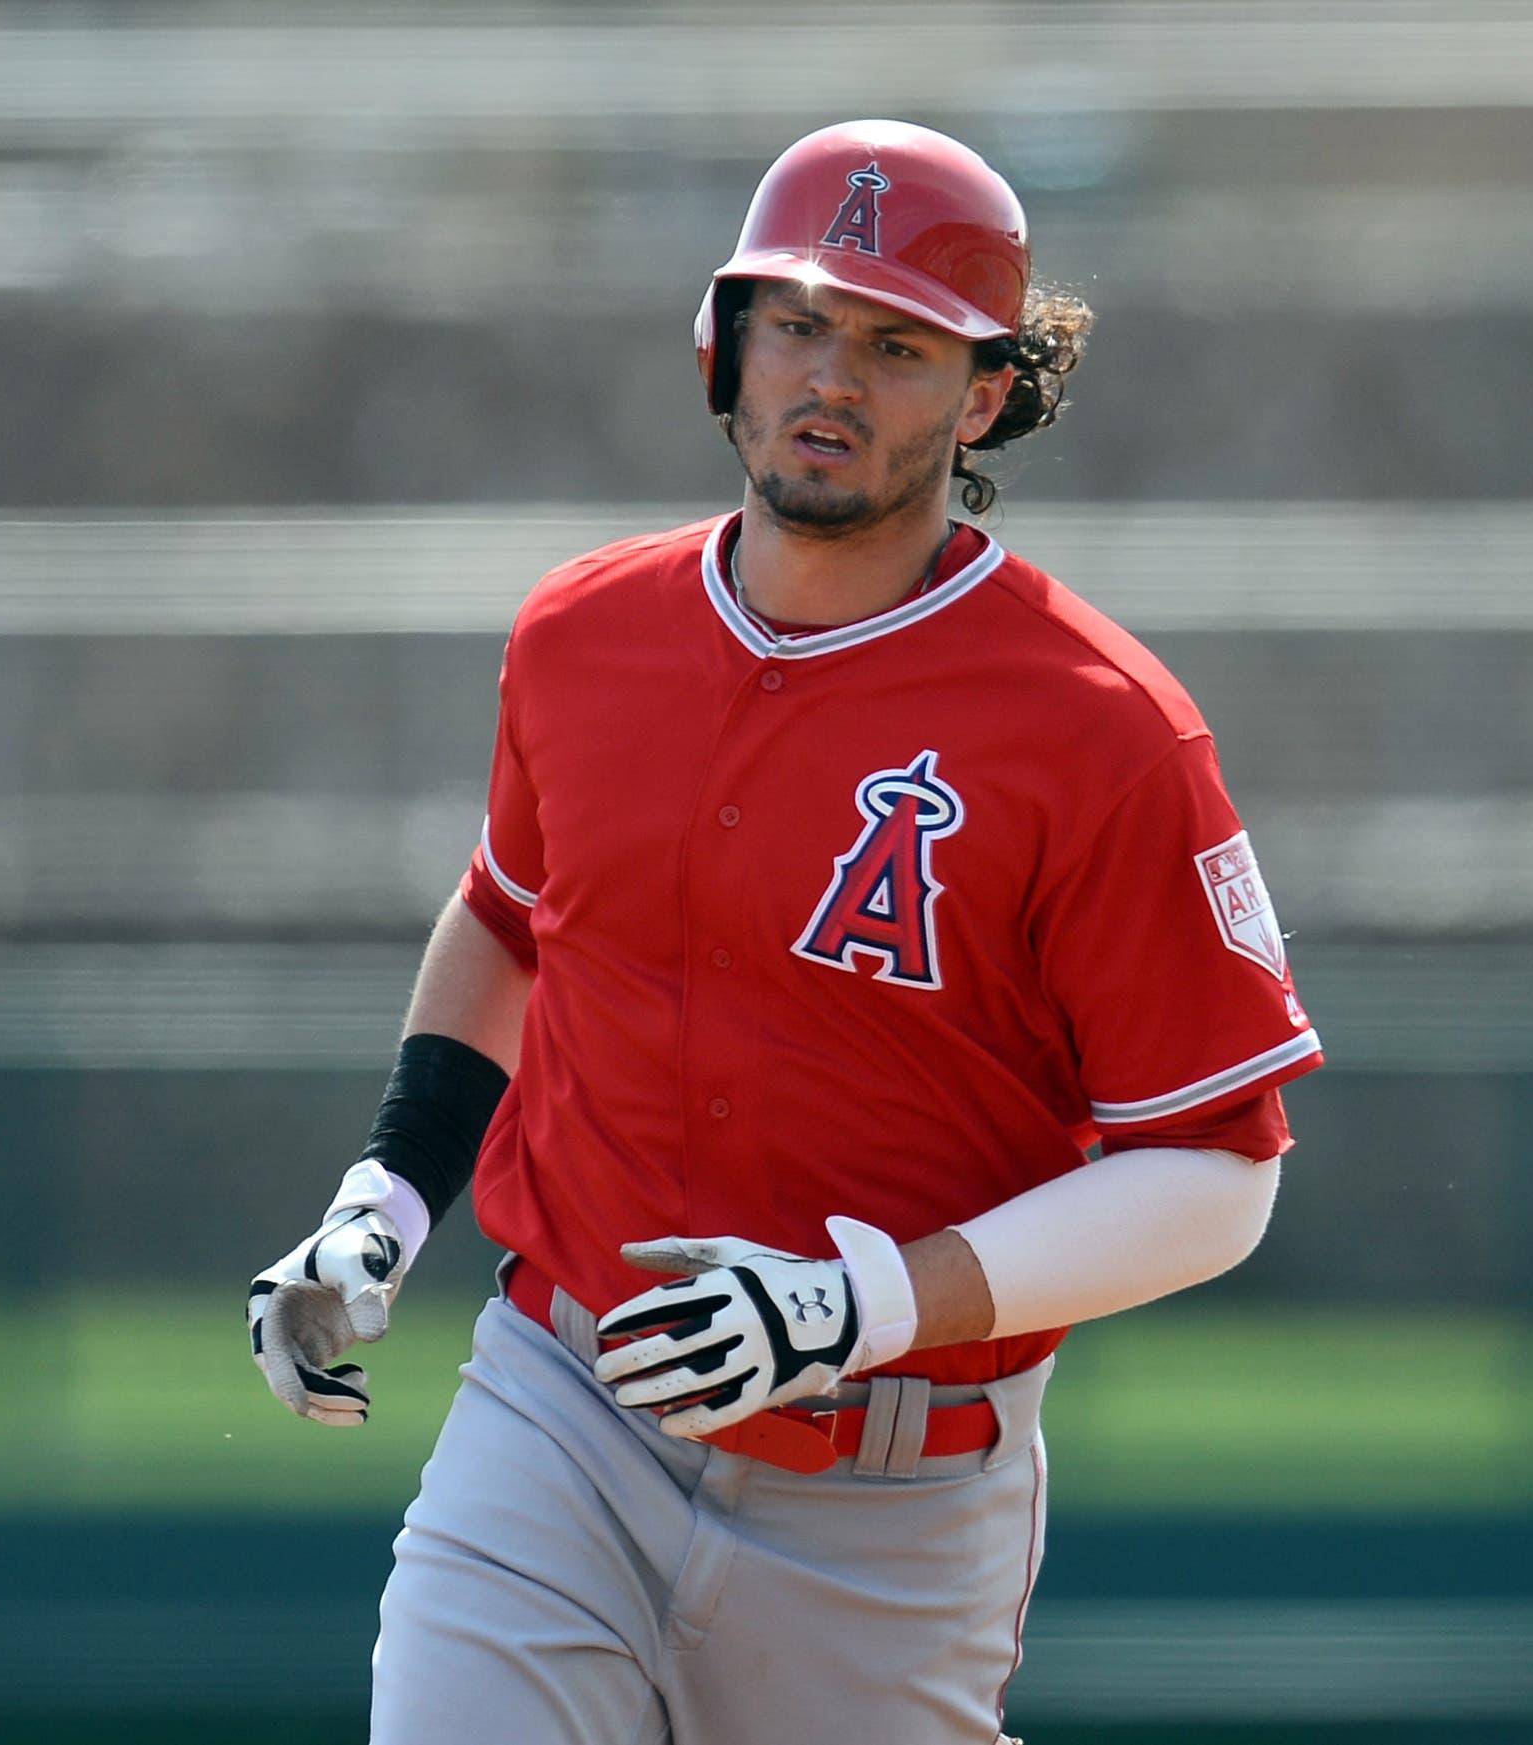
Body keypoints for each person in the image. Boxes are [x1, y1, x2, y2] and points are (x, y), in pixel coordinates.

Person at [249, 118, 1323, 1745]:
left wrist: (858, 1301)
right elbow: (511, 921)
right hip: (566, 1409)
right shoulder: (580, 631)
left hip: (890, 1487)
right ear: (725, 343)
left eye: (898, 343)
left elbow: (1221, 1171)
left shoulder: (1104, 728)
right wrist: (383, 1195)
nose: (832, 374)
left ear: (983, 397)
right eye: (801, 321)